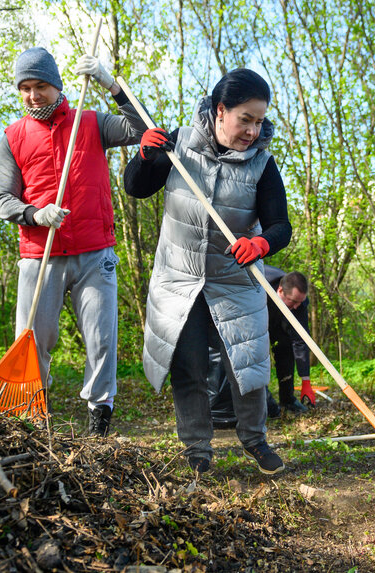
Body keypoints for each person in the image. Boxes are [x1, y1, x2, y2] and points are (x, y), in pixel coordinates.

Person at [123, 68, 291, 475]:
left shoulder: (262, 165)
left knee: (247, 365)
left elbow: (280, 225)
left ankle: (255, 439)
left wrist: (262, 243)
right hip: (180, 280)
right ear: (220, 111)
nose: (253, 130)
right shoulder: (179, 145)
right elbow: (136, 187)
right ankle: (197, 449)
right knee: (189, 366)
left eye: (259, 121)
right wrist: (145, 155)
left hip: (236, 279)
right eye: (244, 119)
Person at [0, 47, 146, 436]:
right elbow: (2, 200)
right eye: (24, 88)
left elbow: (142, 131)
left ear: (57, 85)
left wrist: (113, 84)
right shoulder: (12, 138)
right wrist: (34, 214)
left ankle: (99, 419)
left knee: (101, 339)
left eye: (40, 86)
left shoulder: (90, 123)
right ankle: (32, 419)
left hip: (95, 251)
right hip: (39, 252)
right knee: (32, 339)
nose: (32, 96)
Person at [207, 266, 314, 425]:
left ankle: (288, 399)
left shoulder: (298, 302)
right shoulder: (258, 285)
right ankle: (262, 398)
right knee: (253, 352)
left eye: (300, 302)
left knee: (285, 346)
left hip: (277, 317)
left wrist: (306, 381)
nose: (297, 307)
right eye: (293, 301)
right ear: (280, 291)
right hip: (252, 314)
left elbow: (301, 339)